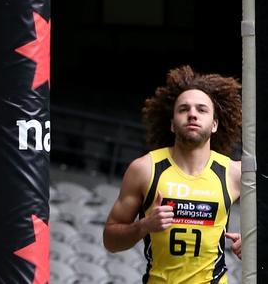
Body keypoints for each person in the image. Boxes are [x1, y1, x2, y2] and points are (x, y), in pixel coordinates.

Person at [103, 65, 243, 283]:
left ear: (215, 124)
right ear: (171, 124)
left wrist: (255, 242)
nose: (192, 114)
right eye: (183, 109)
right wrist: (144, 225)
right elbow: (110, 241)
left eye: (202, 109)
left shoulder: (234, 172)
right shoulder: (144, 169)